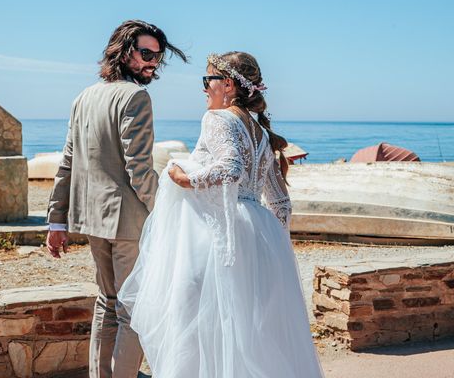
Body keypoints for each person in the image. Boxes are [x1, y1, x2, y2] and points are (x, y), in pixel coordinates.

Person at [118, 51, 324, 377]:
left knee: (201, 325)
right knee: (248, 334)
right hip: (257, 237)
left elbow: (230, 167)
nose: (204, 88)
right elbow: (281, 203)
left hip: (219, 237)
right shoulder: (260, 133)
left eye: (207, 80)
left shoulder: (217, 119)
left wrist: (187, 180)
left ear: (227, 84)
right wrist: (273, 249)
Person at [46, 19, 187, 378]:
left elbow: (67, 163)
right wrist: (164, 214)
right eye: (145, 54)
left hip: (92, 220)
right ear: (123, 52)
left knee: (105, 303)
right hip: (129, 224)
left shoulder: (83, 97)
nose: (152, 63)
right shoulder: (136, 97)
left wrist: (56, 219)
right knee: (133, 309)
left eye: (157, 57)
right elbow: (139, 169)